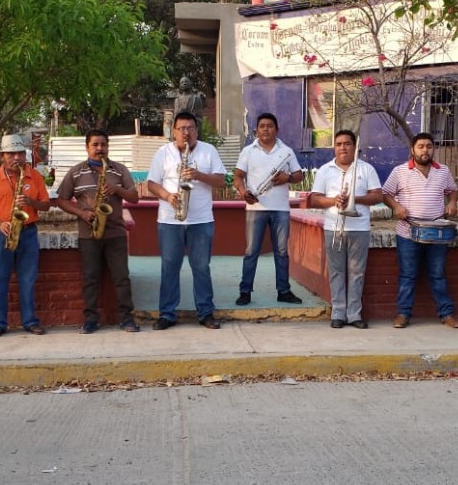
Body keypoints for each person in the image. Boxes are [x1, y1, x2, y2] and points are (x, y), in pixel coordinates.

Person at [147, 111, 226, 330]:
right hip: (170, 220)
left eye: (190, 128)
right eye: (181, 128)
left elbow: (220, 180)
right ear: (174, 131)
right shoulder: (163, 153)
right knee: (169, 267)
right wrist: (167, 196)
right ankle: (167, 313)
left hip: (201, 220)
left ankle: (206, 312)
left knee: (201, 267)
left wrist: (199, 175)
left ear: (196, 130)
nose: (186, 133)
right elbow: (152, 183)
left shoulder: (208, 151)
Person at [56, 129, 140, 334]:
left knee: (121, 277)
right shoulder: (76, 172)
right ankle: (91, 319)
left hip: (116, 232)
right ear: (87, 147)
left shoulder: (119, 170)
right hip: (89, 233)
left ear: (108, 147)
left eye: (103, 145)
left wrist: (116, 189)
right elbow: (61, 200)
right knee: (91, 278)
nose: (99, 149)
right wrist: (82, 213)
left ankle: (127, 318)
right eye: (95, 145)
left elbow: (134, 197)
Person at [382, 132, 458, 329]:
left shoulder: (443, 171)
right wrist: (396, 208)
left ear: (433, 149)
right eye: (420, 146)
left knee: (438, 275)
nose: (425, 150)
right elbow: (386, 194)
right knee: (408, 275)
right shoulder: (400, 171)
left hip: (436, 232)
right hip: (408, 232)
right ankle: (403, 314)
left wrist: (452, 202)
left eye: (428, 146)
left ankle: (447, 314)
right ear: (412, 149)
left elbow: (452, 190)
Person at [0, 134, 50, 337]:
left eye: (20, 153)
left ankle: (30, 321)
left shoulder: (34, 176)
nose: (16, 158)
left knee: (28, 279)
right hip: (1, 233)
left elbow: (46, 205)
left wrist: (31, 202)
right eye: (11, 154)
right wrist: (0, 224)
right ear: (2, 156)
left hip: (28, 233)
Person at [310, 130, 382, 329]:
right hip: (333, 227)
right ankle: (338, 313)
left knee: (357, 272)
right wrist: (334, 200)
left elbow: (377, 196)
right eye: (339, 144)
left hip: (359, 228)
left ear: (354, 147)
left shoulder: (366, 169)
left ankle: (354, 314)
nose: (343, 147)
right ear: (335, 147)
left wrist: (354, 199)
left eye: (347, 144)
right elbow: (314, 198)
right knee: (336, 272)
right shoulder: (325, 170)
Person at [232, 112, 304, 306]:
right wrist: (242, 191)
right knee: (251, 251)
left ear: (277, 129)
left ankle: (284, 291)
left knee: (281, 252)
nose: (266, 129)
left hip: (280, 209)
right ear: (256, 130)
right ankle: (245, 291)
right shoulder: (248, 151)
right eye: (262, 126)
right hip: (255, 207)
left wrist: (287, 178)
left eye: (270, 126)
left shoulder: (286, 151)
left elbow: (299, 176)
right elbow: (237, 176)